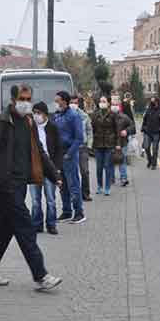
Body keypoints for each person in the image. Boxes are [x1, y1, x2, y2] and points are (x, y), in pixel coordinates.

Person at [0, 84, 63, 291]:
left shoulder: (29, 122)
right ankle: (41, 276)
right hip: (6, 184)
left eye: (28, 98)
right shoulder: (0, 122)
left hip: (21, 184)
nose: (26, 102)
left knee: (2, 229)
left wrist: (54, 174)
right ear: (12, 100)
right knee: (25, 228)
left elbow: (39, 152)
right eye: (22, 98)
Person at [30, 102, 63, 235]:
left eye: (39, 113)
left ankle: (51, 224)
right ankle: (36, 224)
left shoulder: (53, 127)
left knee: (50, 198)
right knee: (35, 200)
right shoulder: (30, 127)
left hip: (50, 168)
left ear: (45, 114)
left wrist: (57, 169)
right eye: (34, 113)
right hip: (34, 168)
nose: (36, 116)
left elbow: (59, 149)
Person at [53, 91, 86, 224]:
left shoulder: (74, 116)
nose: (56, 103)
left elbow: (79, 138)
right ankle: (67, 211)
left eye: (57, 100)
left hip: (69, 154)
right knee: (62, 185)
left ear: (64, 101)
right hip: (59, 154)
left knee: (73, 184)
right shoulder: (57, 115)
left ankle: (79, 212)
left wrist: (69, 154)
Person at [91, 96, 119, 196]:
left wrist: (117, 144)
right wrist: (92, 142)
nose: (102, 103)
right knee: (99, 167)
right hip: (98, 144)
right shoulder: (95, 115)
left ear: (108, 103)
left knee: (107, 166)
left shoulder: (112, 115)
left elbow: (117, 130)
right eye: (100, 101)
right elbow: (92, 129)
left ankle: (107, 187)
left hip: (109, 144)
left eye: (104, 101)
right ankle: (99, 186)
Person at [70, 95, 93, 202]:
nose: (73, 104)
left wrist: (89, 145)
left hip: (82, 147)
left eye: (75, 102)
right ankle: (73, 194)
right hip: (70, 148)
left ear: (78, 104)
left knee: (84, 171)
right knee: (71, 172)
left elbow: (89, 131)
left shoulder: (84, 116)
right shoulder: (65, 115)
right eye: (71, 102)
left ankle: (86, 193)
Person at [112, 100, 135, 187]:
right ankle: (111, 178)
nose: (114, 106)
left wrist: (127, 131)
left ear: (119, 106)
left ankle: (123, 178)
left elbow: (132, 126)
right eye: (113, 104)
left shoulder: (124, 117)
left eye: (116, 104)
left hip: (123, 142)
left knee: (122, 160)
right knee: (111, 161)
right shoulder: (108, 117)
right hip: (111, 142)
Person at [141, 97, 160, 170]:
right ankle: (150, 160)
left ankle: (154, 164)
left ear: (157, 102)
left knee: (155, 149)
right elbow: (144, 120)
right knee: (146, 147)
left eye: (154, 101)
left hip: (156, 133)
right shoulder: (148, 110)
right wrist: (143, 129)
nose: (152, 103)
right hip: (147, 132)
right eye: (151, 101)